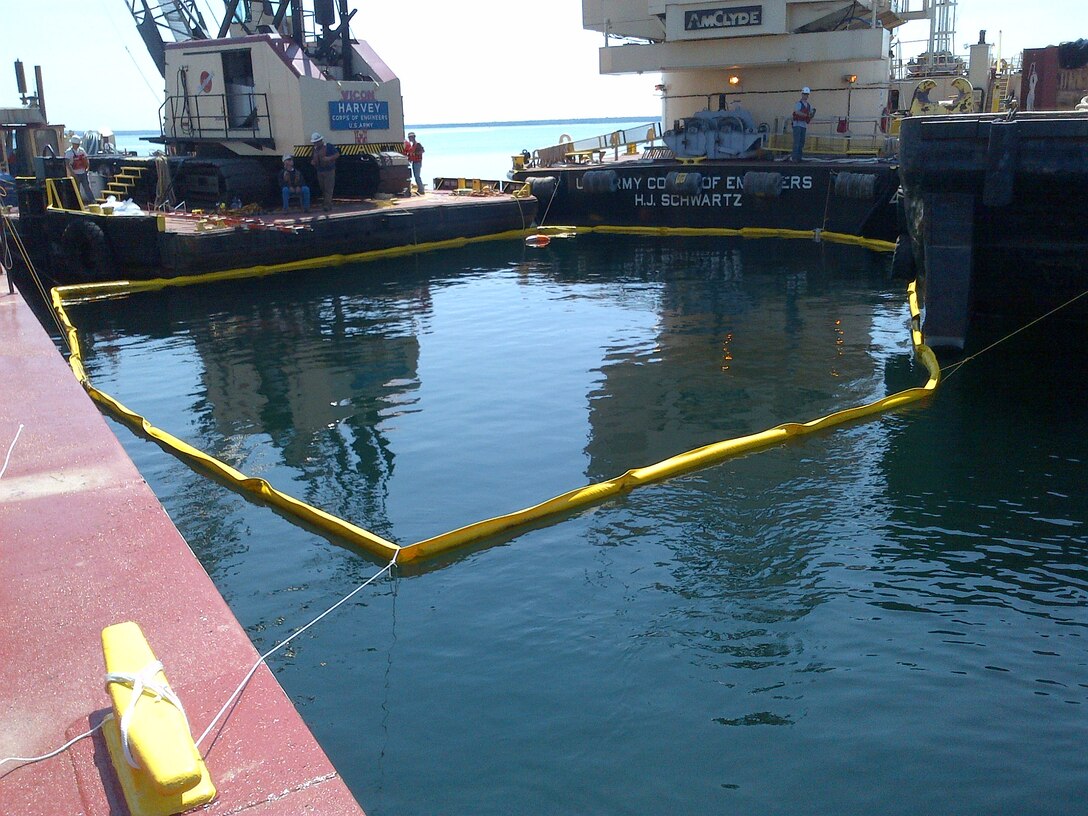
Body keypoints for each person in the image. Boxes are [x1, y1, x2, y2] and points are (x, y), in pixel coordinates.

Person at [310, 132, 339, 212]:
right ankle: (327, 203)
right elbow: (314, 158)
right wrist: (313, 162)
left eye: (316, 142)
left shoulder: (329, 146)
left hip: (329, 170)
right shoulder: (315, 149)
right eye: (314, 142)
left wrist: (329, 158)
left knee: (328, 188)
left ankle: (327, 205)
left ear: (320, 140)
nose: (315, 143)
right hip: (319, 171)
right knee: (323, 188)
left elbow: (337, 154)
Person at [64, 135, 94, 205]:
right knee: (76, 189)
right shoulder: (69, 152)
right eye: (76, 144)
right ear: (73, 144)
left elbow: (86, 159)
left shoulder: (81, 150)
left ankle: (92, 201)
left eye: (78, 144)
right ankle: (78, 203)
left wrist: (87, 168)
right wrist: (73, 174)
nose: (77, 145)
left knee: (87, 188)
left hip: (83, 173)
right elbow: (67, 164)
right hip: (75, 173)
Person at [791, 87, 815, 162]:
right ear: (802, 94)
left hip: (803, 125)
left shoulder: (808, 105)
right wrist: (806, 115)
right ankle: (794, 158)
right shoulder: (798, 104)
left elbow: (811, 113)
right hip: (797, 125)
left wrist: (812, 114)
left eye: (807, 94)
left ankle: (799, 157)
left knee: (801, 142)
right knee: (797, 142)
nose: (806, 96)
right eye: (805, 94)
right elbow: (797, 112)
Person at [403, 131, 425, 195]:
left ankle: (421, 189)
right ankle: (420, 189)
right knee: (416, 176)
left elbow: (422, 151)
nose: (409, 139)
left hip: (417, 162)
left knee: (417, 176)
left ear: (413, 137)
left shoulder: (417, 144)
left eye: (410, 137)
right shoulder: (412, 145)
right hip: (414, 162)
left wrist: (414, 154)